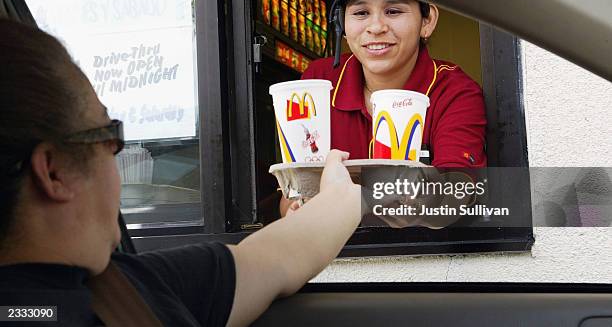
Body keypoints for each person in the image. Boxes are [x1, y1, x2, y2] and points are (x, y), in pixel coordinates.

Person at [0, 19, 362, 326]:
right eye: (110, 136)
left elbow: (281, 254)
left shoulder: (120, 286)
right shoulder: (133, 291)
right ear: (54, 171)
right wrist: (342, 188)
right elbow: (279, 259)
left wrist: (338, 195)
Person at [281, 0, 487, 216]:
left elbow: (456, 194)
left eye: (393, 11)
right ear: (342, 24)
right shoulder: (319, 81)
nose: (376, 27)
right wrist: (298, 210)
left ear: (427, 21)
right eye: (360, 13)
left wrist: (352, 203)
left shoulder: (455, 91)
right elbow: (292, 193)